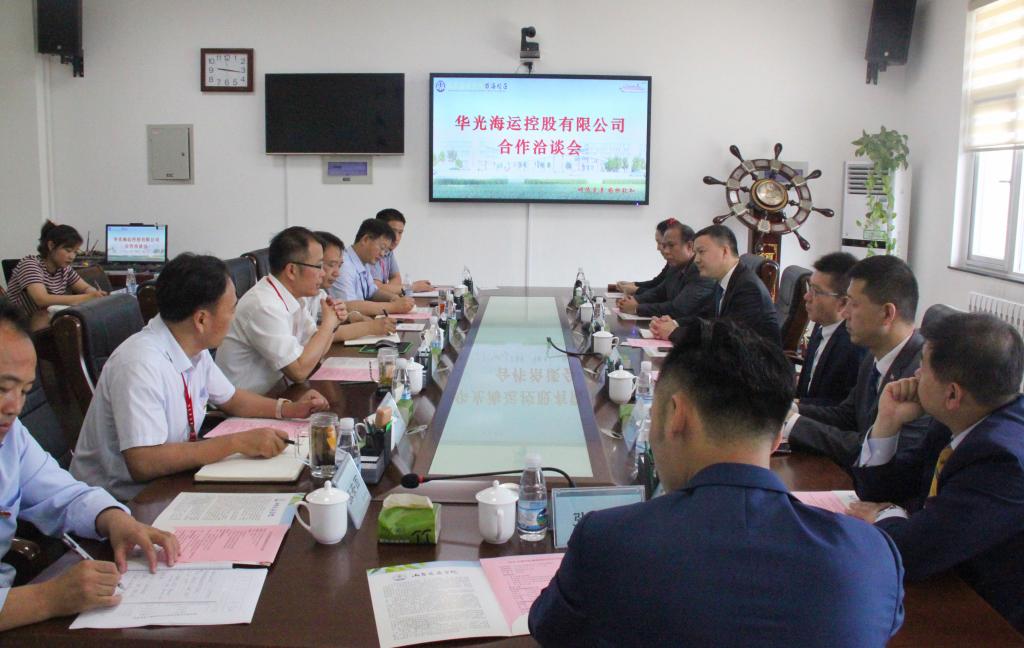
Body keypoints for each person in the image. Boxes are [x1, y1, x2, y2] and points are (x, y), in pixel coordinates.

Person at [529, 319, 904, 647]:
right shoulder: (871, 557)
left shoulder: (607, 541)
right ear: (777, 438)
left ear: (676, 415)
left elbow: (549, 629)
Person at [71, 253, 329, 501]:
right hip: (123, 503)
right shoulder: (140, 364)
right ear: (202, 320)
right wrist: (236, 442)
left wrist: (289, 409)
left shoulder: (192, 345)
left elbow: (232, 399)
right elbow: (144, 462)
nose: (234, 317)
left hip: (171, 480)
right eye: (232, 309)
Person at [0, 298, 180, 631]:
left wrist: (114, 520)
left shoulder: (10, 436)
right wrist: (47, 598)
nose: (14, 407)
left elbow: (62, 494)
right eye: (2, 388)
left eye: (24, 391)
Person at [849, 312, 1024, 632]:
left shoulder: (1002, 461)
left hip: (991, 620)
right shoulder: (961, 421)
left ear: (953, 394)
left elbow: (912, 554)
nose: (916, 374)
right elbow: (882, 490)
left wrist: (884, 513)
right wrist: (888, 420)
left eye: (923, 366)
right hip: (947, 585)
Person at [783, 255, 931, 467]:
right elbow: (846, 416)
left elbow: (870, 450)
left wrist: (790, 423)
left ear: (887, 313)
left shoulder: (919, 376)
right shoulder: (874, 356)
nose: (844, 312)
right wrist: (785, 409)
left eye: (854, 304)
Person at [215, 227, 355, 395]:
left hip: (277, 391)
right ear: (292, 270)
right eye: (319, 266)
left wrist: (333, 324)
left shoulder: (295, 297)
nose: (323, 273)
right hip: (244, 404)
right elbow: (299, 372)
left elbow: (317, 350)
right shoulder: (264, 305)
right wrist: (328, 325)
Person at [650, 224, 780, 344]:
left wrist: (674, 332)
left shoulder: (748, 288)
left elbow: (726, 338)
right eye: (695, 253)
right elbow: (706, 317)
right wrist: (675, 323)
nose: (696, 260)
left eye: (701, 252)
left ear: (725, 251)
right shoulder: (725, 280)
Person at [797, 252, 866, 406]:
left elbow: (841, 408)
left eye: (816, 291)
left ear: (843, 303)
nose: (806, 297)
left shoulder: (854, 346)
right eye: (809, 287)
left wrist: (795, 406)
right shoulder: (821, 324)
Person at [304, 231, 396, 339]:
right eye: (331, 265)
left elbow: (344, 307)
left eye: (339, 266)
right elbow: (312, 336)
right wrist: (369, 327)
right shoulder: (299, 298)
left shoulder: (319, 293)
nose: (337, 273)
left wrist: (351, 316)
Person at [616, 220, 714, 319]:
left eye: (671, 245)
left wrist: (637, 308)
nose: (666, 251)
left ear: (689, 246)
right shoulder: (674, 266)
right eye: (664, 246)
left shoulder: (700, 271)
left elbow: (677, 309)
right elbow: (659, 292)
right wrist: (635, 300)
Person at [6, 221, 106, 316]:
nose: (72, 257)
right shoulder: (30, 264)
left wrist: (93, 293)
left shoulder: (64, 268)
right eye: (68, 250)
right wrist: (87, 297)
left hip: (46, 319)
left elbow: (84, 288)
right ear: (51, 246)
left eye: (75, 252)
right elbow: (41, 299)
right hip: (18, 323)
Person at [329, 218, 415, 317]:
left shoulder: (364, 263)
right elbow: (348, 307)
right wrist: (394, 306)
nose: (383, 254)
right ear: (365, 240)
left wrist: (394, 298)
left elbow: (373, 292)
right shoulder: (344, 265)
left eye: (386, 251)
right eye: (382, 248)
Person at [371, 209, 433, 296]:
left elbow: (396, 278)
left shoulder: (388, 252)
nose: (396, 238)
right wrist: (411, 287)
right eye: (392, 231)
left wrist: (389, 289)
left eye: (400, 232)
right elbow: (376, 289)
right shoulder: (373, 252)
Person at [615, 219, 671, 296]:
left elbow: (662, 295)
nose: (658, 248)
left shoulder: (684, 271)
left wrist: (635, 289)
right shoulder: (672, 264)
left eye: (660, 243)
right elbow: (656, 283)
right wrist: (632, 284)